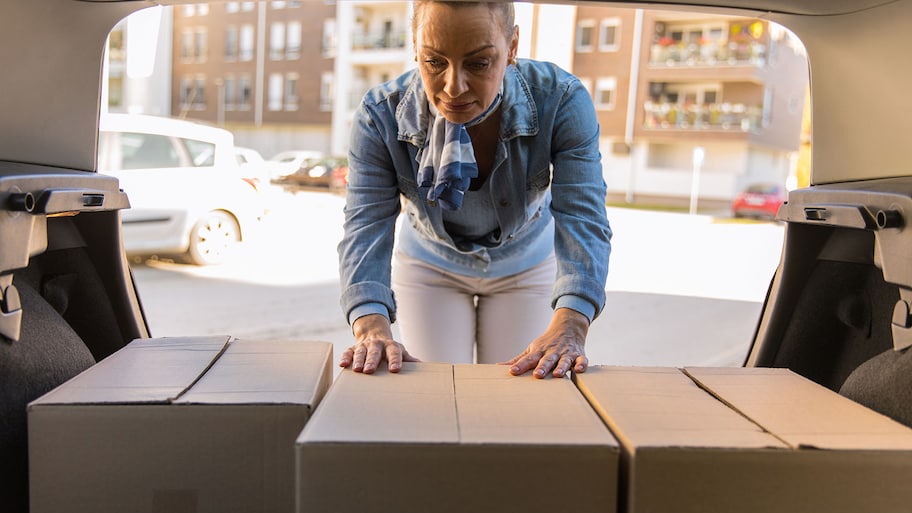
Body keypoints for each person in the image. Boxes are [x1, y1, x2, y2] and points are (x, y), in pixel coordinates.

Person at [337, 0, 611, 379]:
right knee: (435, 394)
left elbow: (583, 214)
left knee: (515, 397)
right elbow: (366, 224)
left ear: (512, 46)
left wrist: (572, 323)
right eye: (434, 62)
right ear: (415, 45)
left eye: (479, 63)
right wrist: (370, 325)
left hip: (526, 264)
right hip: (430, 265)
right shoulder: (378, 114)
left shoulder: (562, 100)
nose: (454, 87)